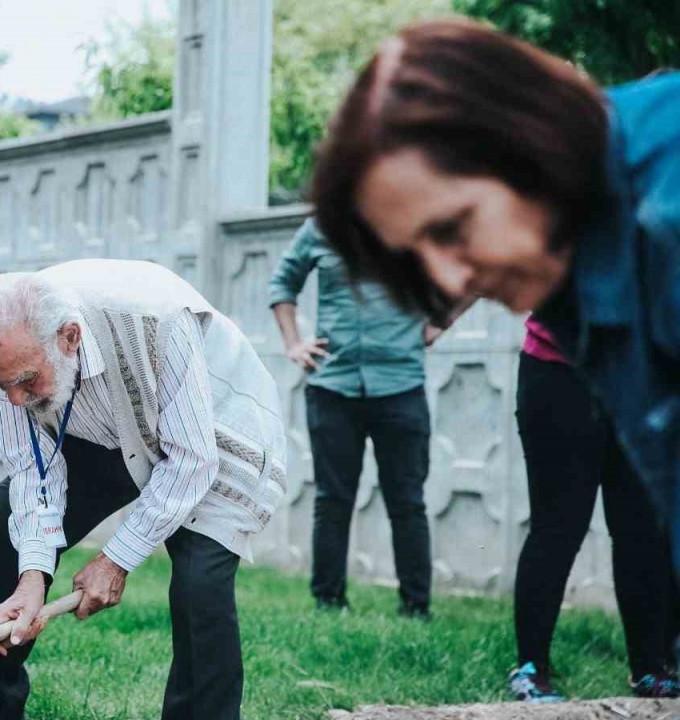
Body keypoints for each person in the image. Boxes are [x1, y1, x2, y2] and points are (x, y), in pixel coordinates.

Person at [310, 19, 680, 573]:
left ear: (523, 141)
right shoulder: (569, 266)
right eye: (415, 258)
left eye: (453, 227)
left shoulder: (666, 204)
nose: (450, 282)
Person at [0, 260, 287, 720]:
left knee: (200, 583)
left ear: (69, 338)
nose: (14, 399)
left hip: (214, 431)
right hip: (105, 429)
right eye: (0, 384)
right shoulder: (10, 359)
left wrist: (116, 559)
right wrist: (32, 576)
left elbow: (192, 460)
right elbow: (31, 470)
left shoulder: (156, 320)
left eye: (25, 381)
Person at [269, 217, 437, 617]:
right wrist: (293, 343)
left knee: (407, 502)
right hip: (333, 386)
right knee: (332, 499)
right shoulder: (322, 226)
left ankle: (416, 607)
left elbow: (469, 270)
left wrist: (441, 321)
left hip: (401, 384)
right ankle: (328, 602)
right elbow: (283, 283)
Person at [508, 319, 679, 701]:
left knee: (643, 530)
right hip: (560, 371)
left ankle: (649, 668)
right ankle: (531, 668)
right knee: (557, 527)